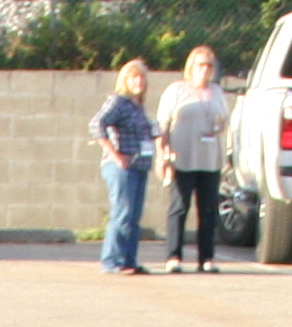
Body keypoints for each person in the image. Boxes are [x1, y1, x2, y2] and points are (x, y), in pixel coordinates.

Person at [153, 46, 230, 273]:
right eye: (200, 65)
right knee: (179, 207)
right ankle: (173, 256)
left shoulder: (216, 91)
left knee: (208, 209)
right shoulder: (176, 90)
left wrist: (218, 126)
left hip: (209, 159)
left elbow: (224, 120)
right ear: (191, 67)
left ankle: (206, 258)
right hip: (182, 157)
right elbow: (162, 125)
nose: (204, 70)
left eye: (209, 66)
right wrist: (162, 155)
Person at [91, 59, 155, 277]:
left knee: (134, 216)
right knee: (122, 213)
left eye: (142, 77)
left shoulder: (137, 106)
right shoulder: (118, 101)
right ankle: (112, 261)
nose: (139, 81)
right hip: (121, 168)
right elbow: (96, 124)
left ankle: (129, 260)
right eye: (134, 77)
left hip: (139, 166)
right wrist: (115, 154)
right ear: (125, 80)